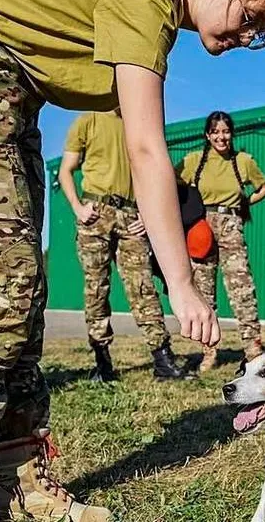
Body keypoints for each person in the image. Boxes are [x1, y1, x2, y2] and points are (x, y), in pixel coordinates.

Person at [0, 0, 265, 519]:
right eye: (249, 17)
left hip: (9, 93)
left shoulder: (158, 6)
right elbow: (147, 149)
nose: (246, 37)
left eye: (259, 35)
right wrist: (180, 282)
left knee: (25, 296)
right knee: (4, 290)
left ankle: (23, 483)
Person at [59, 110, 193, 382]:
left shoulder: (139, 122)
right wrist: (77, 207)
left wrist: (147, 214)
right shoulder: (88, 121)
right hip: (96, 213)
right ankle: (102, 362)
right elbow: (65, 170)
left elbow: (152, 173)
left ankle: (163, 361)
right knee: (96, 288)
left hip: (132, 217)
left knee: (143, 287)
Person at [177, 111, 265, 372]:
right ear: (207, 135)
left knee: (242, 289)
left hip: (231, 225)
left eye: (226, 131)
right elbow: (171, 180)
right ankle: (209, 352)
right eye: (215, 131)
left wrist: (245, 203)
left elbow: (263, 186)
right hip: (201, 228)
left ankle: (253, 350)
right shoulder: (194, 160)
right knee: (204, 292)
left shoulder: (243, 161)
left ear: (232, 133)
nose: (221, 136)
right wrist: (187, 204)